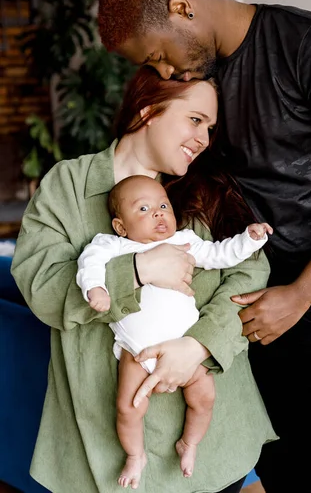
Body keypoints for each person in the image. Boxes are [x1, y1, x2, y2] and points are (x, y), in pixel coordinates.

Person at [97, 0, 311, 493]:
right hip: (242, 308)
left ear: (182, 9)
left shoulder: (309, 45)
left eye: (159, 56)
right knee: (274, 471)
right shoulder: (196, 77)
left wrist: (302, 293)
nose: (165, 73)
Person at [11, 66, 277, 493]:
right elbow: (42, 288)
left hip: (210, 435)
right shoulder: (68, 184)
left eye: (210, 127)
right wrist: (138, 270)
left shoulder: (206, 188)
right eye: (195, 120)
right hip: (100, 442)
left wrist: (199, 344)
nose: (204, 139)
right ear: (148, 110)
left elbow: (249, 270)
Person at [77, 174, 272, 487]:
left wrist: (248, 240)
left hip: (186, 349)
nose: (157, 213)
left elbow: (219, 254)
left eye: (163, 205)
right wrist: (96, 288)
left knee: (204, 398)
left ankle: (189, 443)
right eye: (143, 209)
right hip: (136, 350)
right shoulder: (113, 246)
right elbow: (90, 263)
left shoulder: (184, 241)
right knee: (128, 408)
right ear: (121, 226)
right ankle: (135, 455)